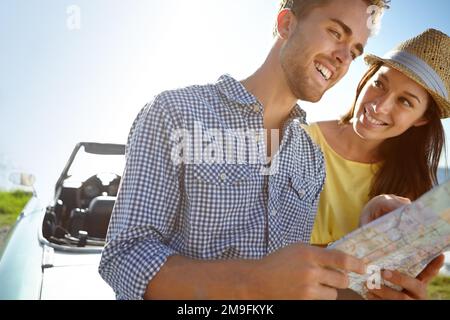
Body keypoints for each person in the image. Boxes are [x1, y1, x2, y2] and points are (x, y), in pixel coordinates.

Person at [99, 0, 395, 300]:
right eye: (335, 33)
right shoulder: (175, 113)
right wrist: (252, 282)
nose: (344, 58)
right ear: (286, 24)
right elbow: (124, 258)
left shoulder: (311, 157)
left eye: (355, 52)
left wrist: (370, 275)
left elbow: (300, 283)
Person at [304, 29, 449, 299]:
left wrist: (397, 290)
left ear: (421, 120)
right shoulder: (299, 141)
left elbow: (381, 280)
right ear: (367, 77)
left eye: (405, 101)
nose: (379, 106)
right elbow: (259, 254)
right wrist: (356, 246)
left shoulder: (413, 188)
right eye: (380, 84)